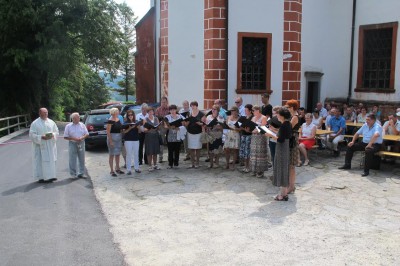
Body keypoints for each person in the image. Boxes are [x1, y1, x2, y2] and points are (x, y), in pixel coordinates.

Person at [265, 107, 292, 201]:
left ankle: (282, 195)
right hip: (284, 147)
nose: (276, 116)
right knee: (283, 169)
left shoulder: (285, 125)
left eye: (278, 114)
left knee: (281, 169)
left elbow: (280, 139)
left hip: (282, 148)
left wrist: (270, 135)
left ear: (281, 116)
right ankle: (284, 194)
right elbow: (282, 135)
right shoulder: (287, 124)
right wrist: (272, 131)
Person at [29, 108, 59, 183]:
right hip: (40, 145)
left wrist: (53, 135)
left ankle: (52, 176)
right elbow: (32, 135)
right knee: (41, 161)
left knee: (51, 160)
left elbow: (56, 132)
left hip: (50, 145)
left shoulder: (51, 122)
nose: (46, 114)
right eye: (44, 113)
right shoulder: (35, 123)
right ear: (40, 113)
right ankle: (42, 177)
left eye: (46, 112)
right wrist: (41, 137)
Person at [64, 112, 89, 178]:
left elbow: (87, 134)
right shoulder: (68, 126)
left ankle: (81, 173)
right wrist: (74, 138)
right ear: (73, 119)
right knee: (72, 158)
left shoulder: (82, 125)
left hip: (81, 142)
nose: (78, 119)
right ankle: (73, 174)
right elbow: (65, 136)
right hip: (72, 143)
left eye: (78, 117)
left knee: (82, 158)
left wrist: (82, 137)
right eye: (76, 118)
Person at [286, 99, 301, 194]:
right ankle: (290, 185)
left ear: (292, 107)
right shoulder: (292, 116)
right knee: (289, 165)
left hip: (293, 140)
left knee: (291, 165)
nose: (286, 109)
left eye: (287, 107)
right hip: (291, 139)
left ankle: (291, 186)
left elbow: (288, 128)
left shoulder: (295, 117)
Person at [249, 105, 268, 178]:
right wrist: (249, 129)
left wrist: (255, 131)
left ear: (258, 110)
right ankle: (254, 169)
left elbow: (263, 128)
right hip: (254, 137)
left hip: (261, 137)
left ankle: (260, 171)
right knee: (254, 152)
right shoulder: (253, 118)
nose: (253, 112)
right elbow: (251, 126)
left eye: (253, 110)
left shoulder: (263, 117)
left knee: (260, 153)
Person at [185, 101, 204, 168]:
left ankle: (197, 163)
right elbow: (186, 124)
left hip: (198, 132)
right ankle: (192, 163)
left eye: (193, 105)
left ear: (196, 106)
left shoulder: (201, 113)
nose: (192, 107)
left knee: (198, 148)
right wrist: (188, 121)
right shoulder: (189, 113)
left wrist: (199, 123)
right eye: (191, 106)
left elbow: (204, 123)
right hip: (190, 132)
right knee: (191, 148)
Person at [164, 104, 185, 169]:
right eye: (171, 110)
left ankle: (176, 162)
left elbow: (184, 124)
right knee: (170, 149)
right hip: (170, 134)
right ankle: (170, 163)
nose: (173, 111)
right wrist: (170, 127)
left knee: (177, 149)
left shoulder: (180, 116)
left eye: (174, 109)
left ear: (176, 110)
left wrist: (179, 127)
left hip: (178, 134)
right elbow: (165, 126)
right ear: (169, 111)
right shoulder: (167, 117)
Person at [106, 108, 124, 176]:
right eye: (117, 111)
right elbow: (108, 131)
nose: (118, 112)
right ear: (113, 112)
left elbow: (120, 128)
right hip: (112, 138)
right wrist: (111, 141)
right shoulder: (110, 120)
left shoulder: (118, 119)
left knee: (117, 154)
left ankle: (117, 168)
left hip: (118, 138)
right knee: (111, 154)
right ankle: (111, 170)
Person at [143, 106, 161, 171]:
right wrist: (149, 129)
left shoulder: (156, 118)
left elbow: (158, 127)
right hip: (149, 136)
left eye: (152, 111)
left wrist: (158, 127)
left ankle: (155, 164)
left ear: (153, 112)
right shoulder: (145, 119)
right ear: (147, 112)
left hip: (155, 136)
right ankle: (150, 165)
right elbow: (144, 129)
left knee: (155, 151)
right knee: (149, 152)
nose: (151, 112)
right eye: (149, 111)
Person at [123, 110, 141, 175]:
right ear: (127, 116)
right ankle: (129, 169)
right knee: (129, 154)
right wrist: (130, 128)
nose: (130, 116)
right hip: (128, 140)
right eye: (129, 115)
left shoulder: (136, 122)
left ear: (133, 115)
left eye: (131, 115)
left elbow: (139, 132)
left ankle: (137, 168)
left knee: (136, 154)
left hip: (136, 139)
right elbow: (124, 132)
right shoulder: (125, 123)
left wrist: (138, 128)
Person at [239, 104, 253, 173]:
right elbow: (240, 125)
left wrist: (248, 130)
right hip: (243, 135)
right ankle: (245, 166)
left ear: (250, 111)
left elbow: (253, 128)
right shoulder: (244, 117)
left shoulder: (252, 118)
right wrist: (241, 127)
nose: (245, 111)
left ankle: (248, 166)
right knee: (244, 151)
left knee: (248, 151)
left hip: (249, 135)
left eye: (246, 110)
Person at [155, 97, 170, 163]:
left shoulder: (170, 109)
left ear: (167, 102)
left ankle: (170, 157)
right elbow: (156, 118)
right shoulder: (158, 109)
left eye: (164, 102)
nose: (163, 103)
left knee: (170, 142)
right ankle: (160, 157)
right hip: (161, 127)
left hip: (169, 127)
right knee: (161, 143)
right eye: (162, 102)